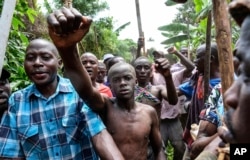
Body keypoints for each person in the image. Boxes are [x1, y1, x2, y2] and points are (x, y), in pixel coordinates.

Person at [47, 7, 166, 160]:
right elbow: (86, 90)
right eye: (116, 80)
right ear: (110, 84)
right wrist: (67, 50)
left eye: (127, 78)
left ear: (135, 81)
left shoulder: (149, 112)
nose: (122, 83)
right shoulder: (106, 106)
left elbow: (158, 149)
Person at [0, 39, 124, 160]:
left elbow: (99, 135)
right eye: (31, 58)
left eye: (46, 57)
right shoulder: (16, 102)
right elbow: (11, 154)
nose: (37, 63)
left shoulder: (78, 92)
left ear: (59, 63)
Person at [177, 42, 221, 158]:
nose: (195, 61)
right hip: (195, 134)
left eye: (198, 57)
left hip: (214, 139)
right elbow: (179, 92)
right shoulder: (199, 77)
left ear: (210, 59)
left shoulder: (225, 85)